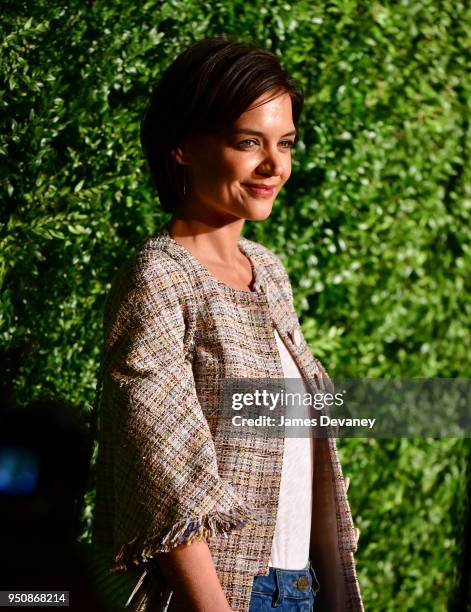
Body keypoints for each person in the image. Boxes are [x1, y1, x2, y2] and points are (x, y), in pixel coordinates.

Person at [92, 36, 364, 612]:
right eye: (249, 143)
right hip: (229, 592)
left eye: (285, 143)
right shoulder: (160, 277)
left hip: (300, 585)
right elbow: (161, 467)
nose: (275, 166)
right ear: (183, 147)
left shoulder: (266, 269)